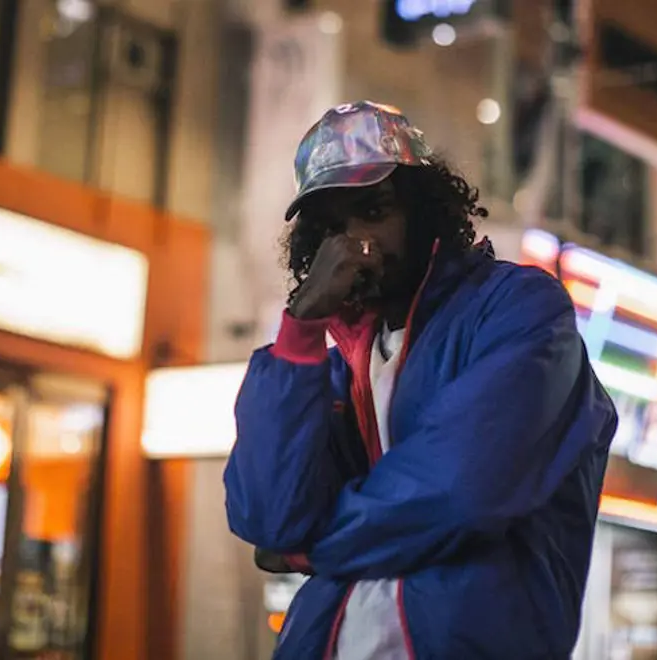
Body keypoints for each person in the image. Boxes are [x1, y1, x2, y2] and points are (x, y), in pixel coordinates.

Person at [224, 101, 618, 659]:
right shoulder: (335, 369)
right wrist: (301, 325)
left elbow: (461, 491)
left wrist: (307, 551)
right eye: (332, 227)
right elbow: (265, 517)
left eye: (373, 210)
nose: (353, 243)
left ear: (423, 209)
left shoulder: (515, 307)